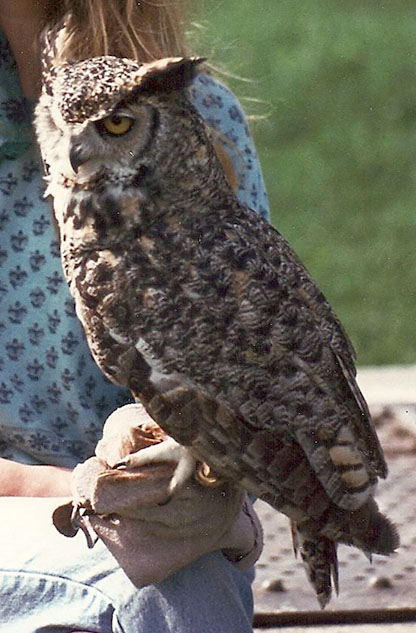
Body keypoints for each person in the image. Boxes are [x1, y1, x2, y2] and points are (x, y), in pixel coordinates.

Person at [0, 1, 269, 631]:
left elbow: (250, 395)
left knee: (168, 580)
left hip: (159, 537)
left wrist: (177, 450)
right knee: (155, 589)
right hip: (59, 530)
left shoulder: (192, 116)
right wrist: (81, 492)